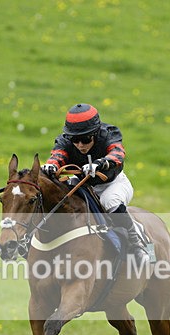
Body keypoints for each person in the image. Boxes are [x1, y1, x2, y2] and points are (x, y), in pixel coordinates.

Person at [42, 103, 149, 265]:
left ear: (95, 133)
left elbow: (117, 154)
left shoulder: (109, 135)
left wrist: (100, 164)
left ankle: (136, 241)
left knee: (110, 201)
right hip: (83, 186)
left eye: (85, 139)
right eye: (75, 140)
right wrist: (51, 165)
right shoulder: (65, 141)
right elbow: (58, 154)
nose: (80, 145)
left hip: (112, 184)